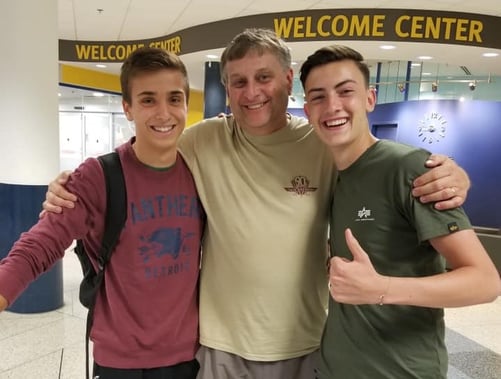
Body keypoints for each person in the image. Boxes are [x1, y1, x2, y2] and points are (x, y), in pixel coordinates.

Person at [42, 29, 471, 379]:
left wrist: (451, 171)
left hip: (305, 343)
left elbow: (376, 159)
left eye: (264, 78)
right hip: (220, 346)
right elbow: (143, 150)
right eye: (238, 82)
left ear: (287, 80)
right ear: (226, 89)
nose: (252, 93)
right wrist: (72, 183)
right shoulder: (203, 139)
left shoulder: (322, 146)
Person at [0, 47, 204, 379]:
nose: (164, 113)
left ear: (185, 104)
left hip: (186, 355)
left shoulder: (199, 170)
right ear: (128, 108)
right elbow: (41, 244)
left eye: (175, 98)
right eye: (148, 100)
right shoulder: (99, 176)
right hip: (120, 360)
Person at [299, 44, 501, 379]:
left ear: (369, 99)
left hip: (400, 371)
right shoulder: (327, 173)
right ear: (307, 111)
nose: (332, 106)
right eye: (318, 96)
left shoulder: (407, 168)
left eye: (345, 91)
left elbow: (485, 281)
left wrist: (382, 288)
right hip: (335, 366)